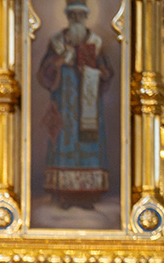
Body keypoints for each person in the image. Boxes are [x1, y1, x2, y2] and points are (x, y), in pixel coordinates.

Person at [37, 0, 114, 209]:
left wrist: (96, 72)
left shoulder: (96, 43)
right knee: (64, 141)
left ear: (86, 16)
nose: (76, 19)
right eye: (73, 15)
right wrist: (58, 62)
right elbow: (44, 72)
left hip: (89, 105)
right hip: (64, 104)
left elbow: (107, 72)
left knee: (88, 143)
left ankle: (88, 196)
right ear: (67, 16)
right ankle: (63, 194)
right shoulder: (56, 43)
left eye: (80, 14)